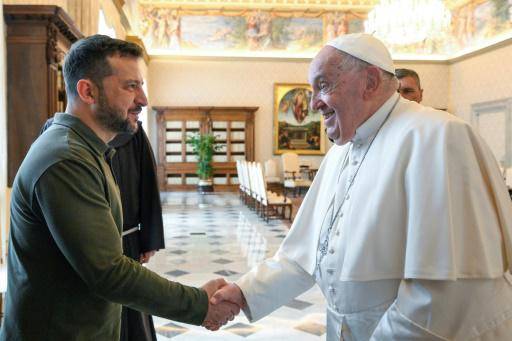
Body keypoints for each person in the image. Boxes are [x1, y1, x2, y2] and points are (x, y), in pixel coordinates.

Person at [211, 33, 512, 340]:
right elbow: (304, 254)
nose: (314, 104)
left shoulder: (437, 137)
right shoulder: (341, 150)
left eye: (323, 86)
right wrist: (243, 293)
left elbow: (443, 292)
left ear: (369, 82)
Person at [1, 34, 238, 340]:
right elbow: (108, 272)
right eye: (130, 86)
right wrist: (199, 304)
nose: (143, 99)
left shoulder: (86, 150)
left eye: (142, 85)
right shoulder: (66, 160)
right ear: (87, 91)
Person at [40, 117, 165, 341]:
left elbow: (147, 183)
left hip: (127, 238)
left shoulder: (133, 133)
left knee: (130, 307)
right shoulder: (58, 141)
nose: (140, 100)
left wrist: (149, 239)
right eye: (130, 86)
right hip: (85, 243)